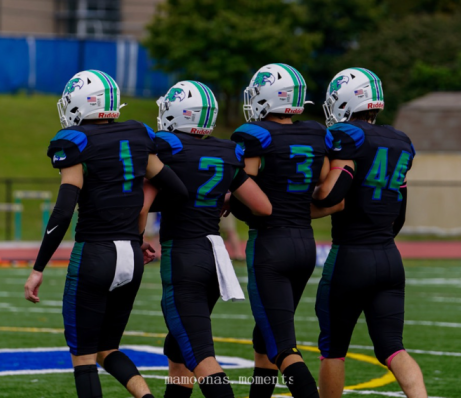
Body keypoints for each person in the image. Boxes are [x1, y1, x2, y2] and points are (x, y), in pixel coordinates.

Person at [23, 70, 188, 398]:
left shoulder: (75, 141)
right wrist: (134, 220)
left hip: (95, 254)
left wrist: (38, 267)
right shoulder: (140, 132)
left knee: (83, 356)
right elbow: (177, 191)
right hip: (130, 254)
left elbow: (63, 209)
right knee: (107, 348)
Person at [142, 80, 272, 398]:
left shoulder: (166, 148)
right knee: (177, 350)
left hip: (183, 256)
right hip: (214, 257)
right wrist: (224, 198)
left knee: (200, 355)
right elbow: (263, 206)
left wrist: (136, 240)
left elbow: (142, 204)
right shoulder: (226, 151)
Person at [313, 68, 427, 398]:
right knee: (393, 348)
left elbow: (332, 195)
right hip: (390, 257)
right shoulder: (401, 140)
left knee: (333, 348)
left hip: (351, 255)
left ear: (348, 101)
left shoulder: (347, 136)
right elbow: (400, 211)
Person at [230, 63, 334, 398]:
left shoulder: (254, 135)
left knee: (281, 347)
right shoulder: (317, 133)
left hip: (270, 245)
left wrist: (228, 201)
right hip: (305, 244)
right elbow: (325, 185)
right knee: (265, 338)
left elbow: (244, 187)